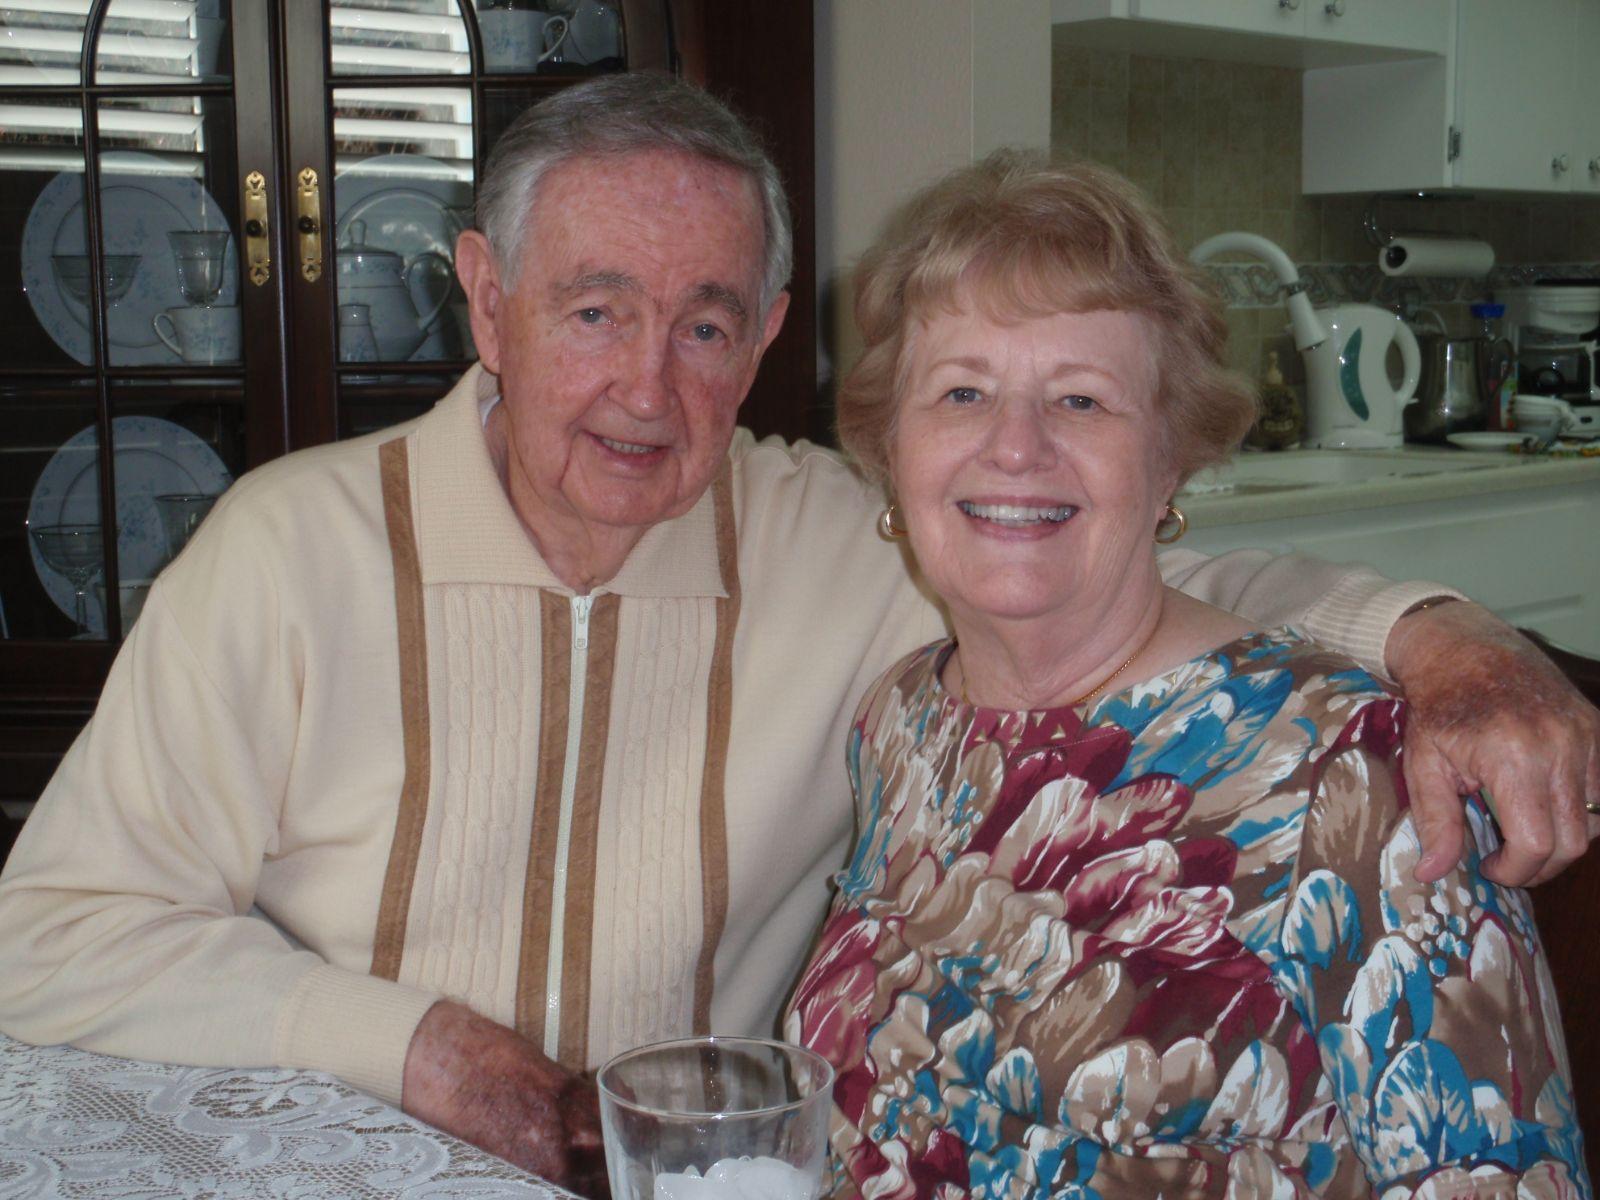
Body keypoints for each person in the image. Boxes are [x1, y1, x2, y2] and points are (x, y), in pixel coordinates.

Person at [0, 76, 1595, 1190]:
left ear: (766, 334)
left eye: (705, 323)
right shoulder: (290, 549)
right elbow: (52, 928)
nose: (648, 387)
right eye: (594, 309)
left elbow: (1125, 586)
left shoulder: (843, 538)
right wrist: (423, 1051)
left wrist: (1440, 639)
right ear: (486, 300)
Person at [785, 153, 1588, 1198]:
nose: (1015, 446)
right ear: (890, 449)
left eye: (1081, 400)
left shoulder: (1359, 781)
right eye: (962, 391)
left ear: (1170, 462)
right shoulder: (903, 720)